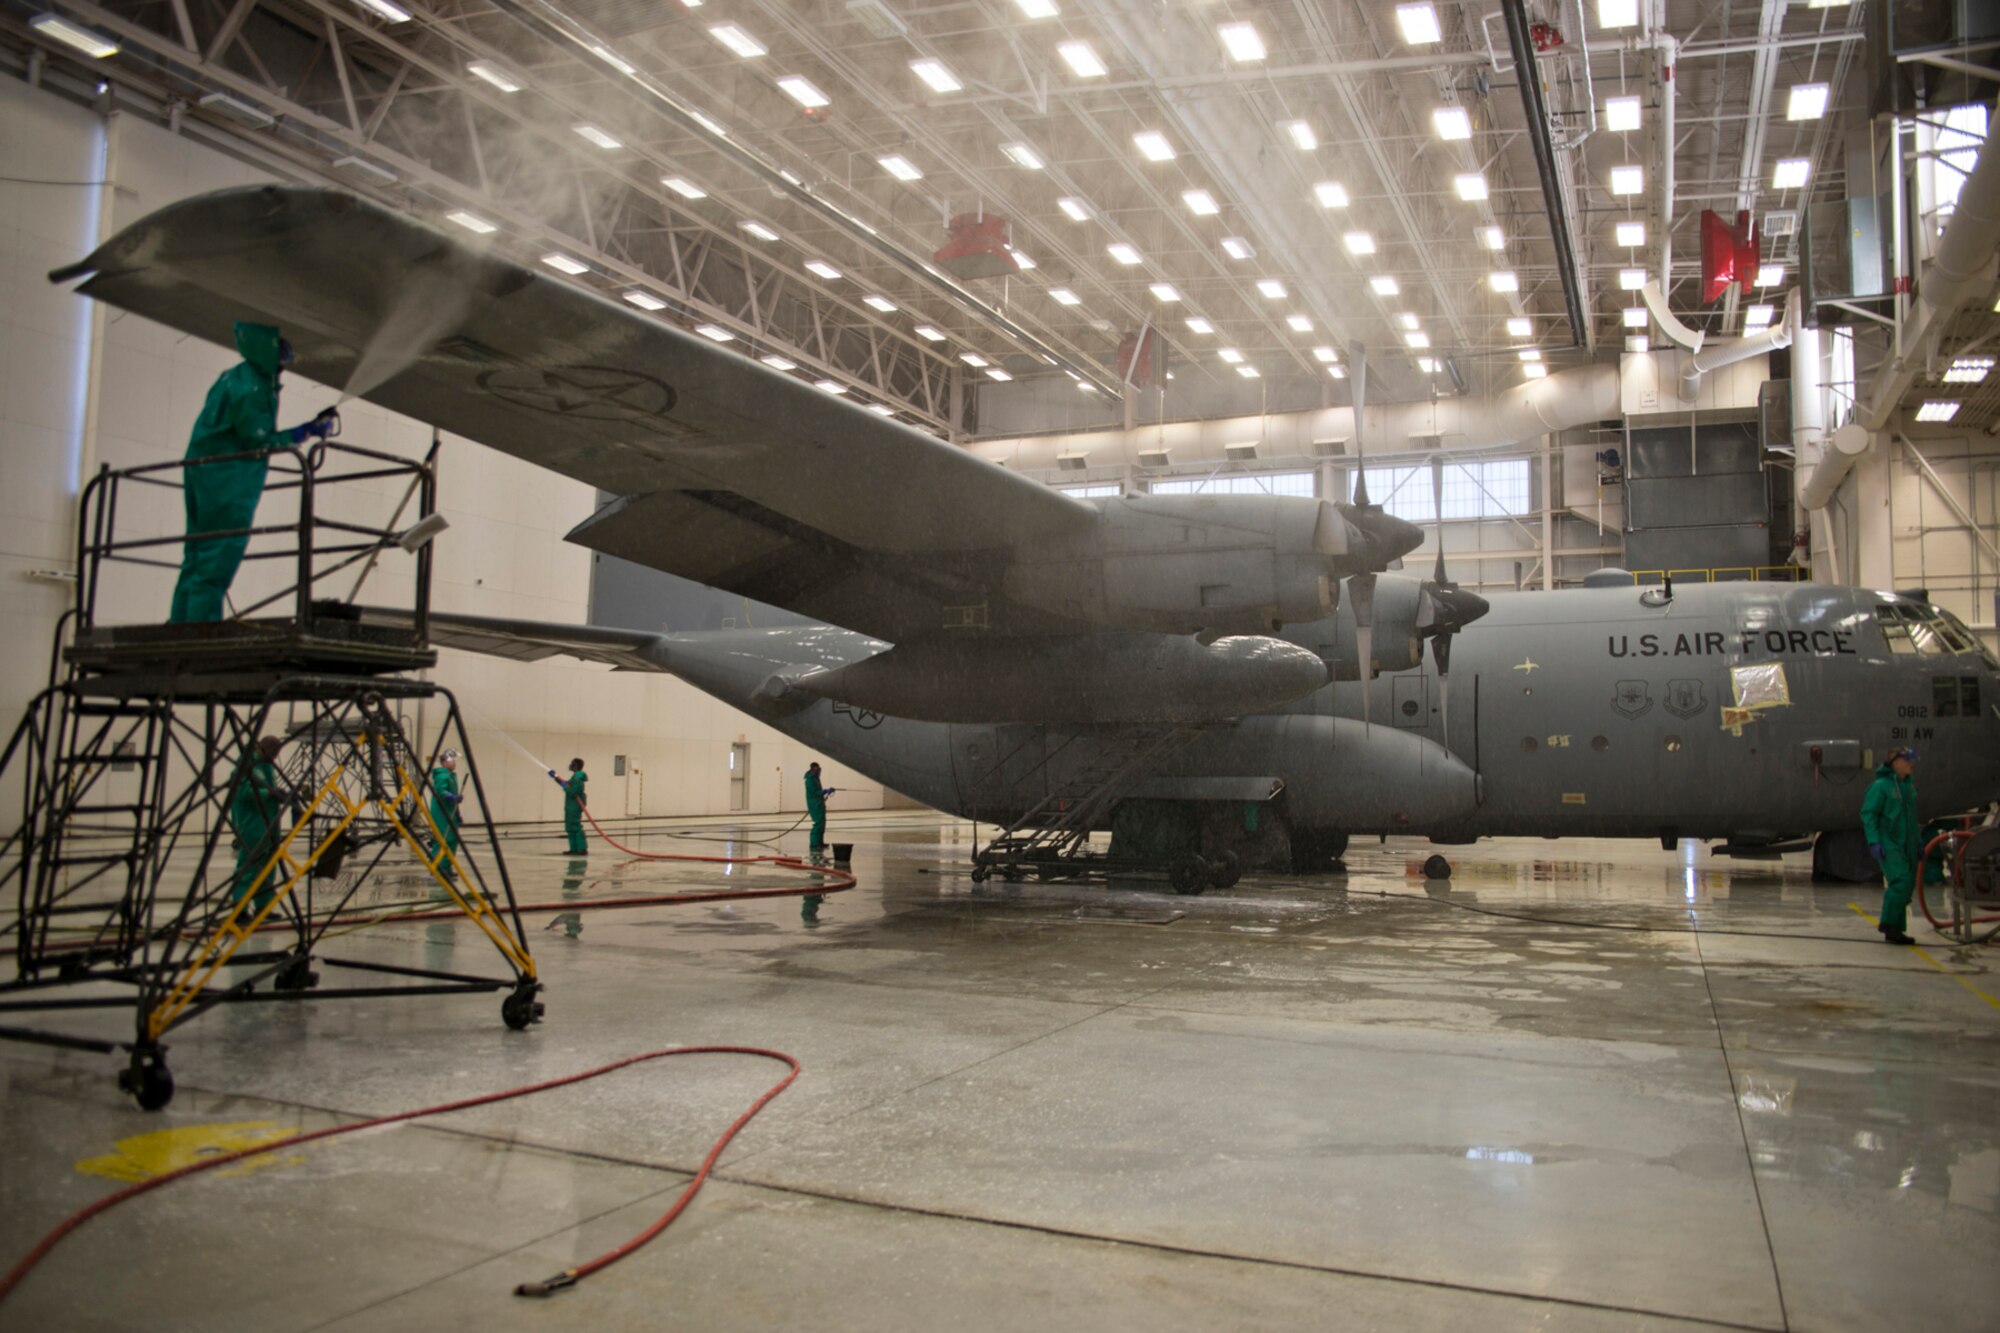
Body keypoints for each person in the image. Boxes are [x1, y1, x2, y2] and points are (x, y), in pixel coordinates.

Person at [169, 321, 337, 623]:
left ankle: (180, 623)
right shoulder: (253, 388)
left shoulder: (232, 377)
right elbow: (257, 440)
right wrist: (304, 432)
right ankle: (200, 627)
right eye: (280, 360)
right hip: (228, 480)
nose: (283, 367)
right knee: (218, 556)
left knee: (196, 553)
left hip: (202, 472)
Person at [1861, 747, 1923, 945]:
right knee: (1901, 881)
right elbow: (1869, 814)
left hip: (1908, 843)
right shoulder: (1881, 786)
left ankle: (1896, 929)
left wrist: (1918, 842)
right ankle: (1888, 923)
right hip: (1889, 841)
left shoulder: (1908, 787)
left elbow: (1912, 819)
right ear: (1895, 763)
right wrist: (1874, 840)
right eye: (1907, 760)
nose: (1911, 764)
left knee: (1907, 885)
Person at [227, 735, 289, 918]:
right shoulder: (246, 766)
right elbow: (243, 792)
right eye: (274, 753)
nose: (275, 758)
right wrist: (268, 793)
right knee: (248, 867)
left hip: (269, 824)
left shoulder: (266, 767)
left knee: (267, 868)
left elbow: (268, 790)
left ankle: (263, 907)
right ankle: (240, 909)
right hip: (252, 824)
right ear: (265, 749)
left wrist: (278, 795)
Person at [426, 749, 464, 883]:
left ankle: (446, 867)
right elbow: (441, 792)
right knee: (442, 839)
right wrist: (452, 797)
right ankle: (437, 868)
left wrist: (457, 813)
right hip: (441, 813)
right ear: (444, 762)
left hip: (450, 812)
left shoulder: (451, 776)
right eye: (452, 760)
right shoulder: (442, 775)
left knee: (452, 840)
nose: (454, 763)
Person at [548, 758, 589, 855]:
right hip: (571, 805)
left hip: (574, 806)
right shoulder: (575, 777)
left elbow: (572, 791)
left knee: (575, 827)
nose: (570, 765)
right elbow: (567, 784)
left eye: (572, 764)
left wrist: (564, 785)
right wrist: (556, 777)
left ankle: (581, 849)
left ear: (576, 766)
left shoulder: (577, 777)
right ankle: (574, 849)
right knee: (570, 828)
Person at [805, 761, 837, 854]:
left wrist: (827, 791)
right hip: (814, 804)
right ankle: (814, 843)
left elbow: (818, 791)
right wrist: (825, 791)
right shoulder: (809, 780)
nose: (818, 772)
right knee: (818, 823)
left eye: (819, 769)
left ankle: (820, 842)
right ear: (812, 769)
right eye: (817, 770)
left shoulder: (816, 778)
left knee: (822, 823)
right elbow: (814, 792)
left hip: (819, 803)